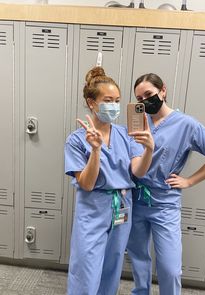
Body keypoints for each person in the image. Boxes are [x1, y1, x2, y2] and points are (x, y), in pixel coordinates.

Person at [126, 73, 205, 295]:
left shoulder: (187, 124)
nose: (144, 101)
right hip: (137, 200)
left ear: (163, 91)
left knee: (170, 269)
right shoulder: (138, 123)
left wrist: (189, 181)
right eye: (139, 98)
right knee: (138, 259)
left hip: (165, 204)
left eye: (149, 95)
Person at [64, 66, 154, 295]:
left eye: (117, 100)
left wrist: (149, 151)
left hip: (123, 206)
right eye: (108, 100)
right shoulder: (76, 140)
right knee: (86, 267)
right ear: (92, 103)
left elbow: (138, 171)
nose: (114, 106)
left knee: (112, 265)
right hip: (93, 207)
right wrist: (95, 150)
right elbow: (86, 183)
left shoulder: (126, 134)